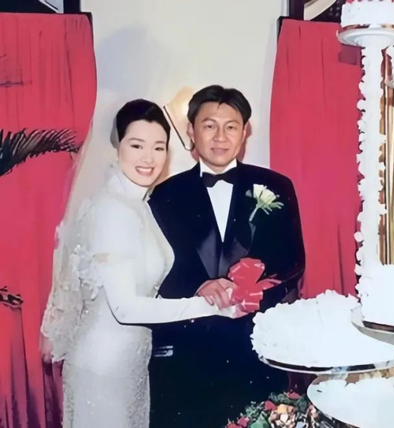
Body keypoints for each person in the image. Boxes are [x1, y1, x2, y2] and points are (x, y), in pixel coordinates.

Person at [40, 99, 245, 428]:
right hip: (103, 367)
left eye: (158, 147)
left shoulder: (140, 205)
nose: (149, 158)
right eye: (137, 145)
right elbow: (125, 308)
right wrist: (211, 308)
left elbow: (148, 287)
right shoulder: (112, 211)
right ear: (118, 146)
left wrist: (206, 290)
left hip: (131, 363)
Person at [148, 85, 305, 427]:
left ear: (244, 132)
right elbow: (157, 266)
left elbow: (293, 261)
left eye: (231, 126)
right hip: (188, 350)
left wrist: (254, 291)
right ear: (191, 131)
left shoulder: (276, 185)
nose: (220, 137)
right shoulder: (164, 194)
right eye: (209, 125)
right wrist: (199, 286)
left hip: (256, 346)